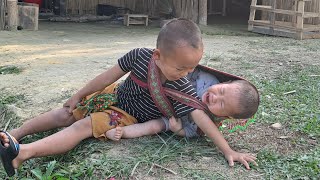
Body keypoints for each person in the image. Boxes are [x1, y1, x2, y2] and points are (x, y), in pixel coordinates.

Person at [0, 18, 256, 177]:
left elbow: (203, 120)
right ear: (157, 55)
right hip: (113, 96)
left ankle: (23, 153)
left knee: (81, 127)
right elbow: (108, 77)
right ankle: (15, 132)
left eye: (193, 68)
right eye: (181, 68)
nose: (188, 74)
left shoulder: (183, 89)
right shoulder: (139, 56)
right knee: (66, 113)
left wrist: (228, 150)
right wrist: (79, 94)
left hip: (126, 117)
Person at [105, 68, 259, 140]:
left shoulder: (207, 123)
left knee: (154, 127)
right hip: (160, 94)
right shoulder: (207, 78)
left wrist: (178, 130)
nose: (215, 97)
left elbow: (190, 132)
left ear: (225, 116)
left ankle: (122, 132)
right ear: (226, 82)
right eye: (222, 90)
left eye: (222, 104)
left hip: (170, 116)